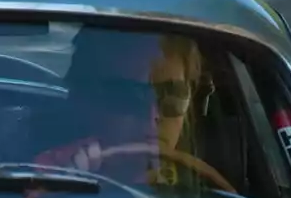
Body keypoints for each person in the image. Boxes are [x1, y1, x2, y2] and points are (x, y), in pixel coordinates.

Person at [34, 27, 203, 188]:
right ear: (86, 100)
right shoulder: (52, 174)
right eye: (129, 96)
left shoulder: (203, 186)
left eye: (174, 95)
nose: (153, 115)